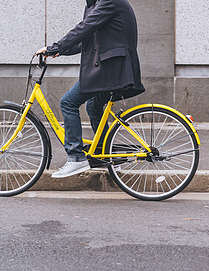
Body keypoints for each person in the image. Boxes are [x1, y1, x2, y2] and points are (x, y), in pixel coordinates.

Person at [36, 0, 145, 178]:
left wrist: (56, 46)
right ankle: (105, 153)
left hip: (111, 69)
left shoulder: (108, 1)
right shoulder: (95, 5)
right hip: (111, 67)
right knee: (93, 106)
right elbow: (88, 39)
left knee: (68, 102)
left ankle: (76, 158)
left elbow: (84, 28)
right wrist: (60, 51)